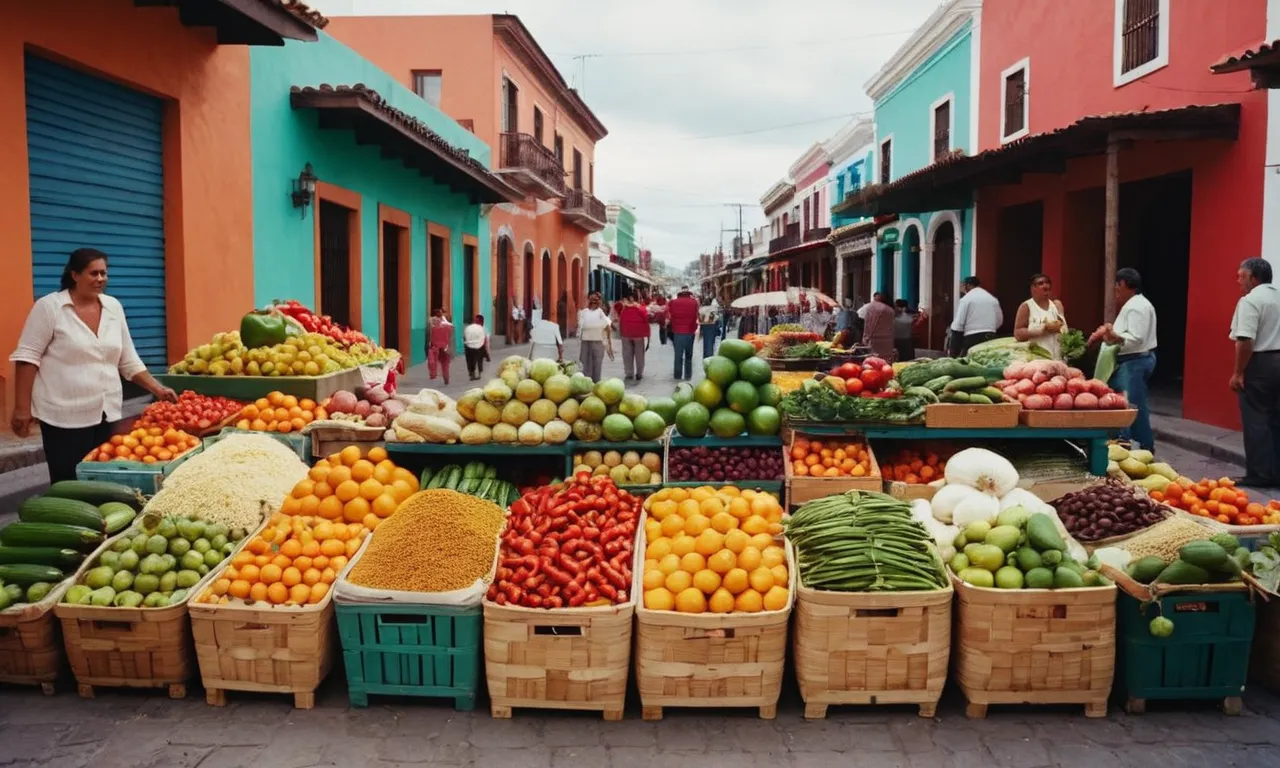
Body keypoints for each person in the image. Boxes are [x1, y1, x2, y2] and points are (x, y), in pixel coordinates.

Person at [10, 248, 177, 484]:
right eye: (93, 273)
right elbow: (27, 358)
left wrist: (157, 388)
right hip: (63, 415)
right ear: (74, 275)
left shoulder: (113, 307)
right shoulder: (50, 308)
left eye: (104, 274)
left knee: (97, 479)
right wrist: (21, 409)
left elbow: (128, 359)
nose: (100, 279)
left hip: (105, 412)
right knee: (68, 481)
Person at [1089, 268, 1157, 450]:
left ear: (1124, 284)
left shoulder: (1136, 307)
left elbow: (1136, 337)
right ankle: (1127, 441)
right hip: (1133, 361)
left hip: (1134, 361)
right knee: (1126, 403)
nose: (1116, 292)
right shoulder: (1136, 304)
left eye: (1117, 287)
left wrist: (1113, 336)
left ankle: (1141, 446)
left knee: (1132, 406)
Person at [1229, 258, 1280, 487]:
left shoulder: (1250, 301)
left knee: (1256, 419)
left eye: (1242, 276)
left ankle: (1260, 473)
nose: (1238, 280)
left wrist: (1238, 372)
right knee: (1276, 419)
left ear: (1254, 278)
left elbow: (1245, 339)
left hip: (1261, 363)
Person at [1014, 273, 1068, 359]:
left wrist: (1060, 315)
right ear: (1033, 288)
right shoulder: (1026, 306)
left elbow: (1064, 331)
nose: (1045, 286)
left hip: (1059, 358)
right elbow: (1018, 334)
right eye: (1040, 283)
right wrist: (1041, 330)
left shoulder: (1056, 305)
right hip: (1038, 359)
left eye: (1047, 282)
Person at [948, 276, 1003, 355]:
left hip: (972, 339)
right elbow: (999, 321)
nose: (963, 288)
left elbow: (958, 324)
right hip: (991, 337)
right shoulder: (992, 299)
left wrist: (953, 351)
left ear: (969, 285)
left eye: (964, 285)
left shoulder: (966, 299)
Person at [576, 292, 613, 381]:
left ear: (599, 302)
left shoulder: (600, 312)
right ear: (589, 301)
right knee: (585, 362)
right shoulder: (584, 312)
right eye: (592, 300)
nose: (593, 303)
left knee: (597, 363)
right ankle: (587, 382)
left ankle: (596, 382)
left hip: (598, 341)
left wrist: (609, 344)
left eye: (596, 300)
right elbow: (580, 326)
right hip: (586, 342)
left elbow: (608, 327)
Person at [667, 286, 700, 380]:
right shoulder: (694, 302)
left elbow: (670, 314)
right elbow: (696, 316)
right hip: (690, 331)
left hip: (677, 332)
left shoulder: (673, 302)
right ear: (689, 294)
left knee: (678, 355)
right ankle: (688, 375)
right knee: (689, 355)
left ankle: (677, 375)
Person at [619, 294, 651, 381]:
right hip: (638, 334)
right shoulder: (641, 309)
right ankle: (639, 373)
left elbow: (621, 320)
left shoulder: (624, 309)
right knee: (639, 354)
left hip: (626, 333)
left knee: (627, 354)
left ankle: (629, 373)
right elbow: (646, 320)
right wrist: (648, 335)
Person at [861, 293, 896, 360]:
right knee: (886, 360)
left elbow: (860, 318)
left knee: (872, 360)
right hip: (887, 341)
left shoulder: (868, 307)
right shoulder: (890, 310)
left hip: (872, 339)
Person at [427, 308, 454, 385]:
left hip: (438, 347)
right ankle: (443, 377)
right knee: (442, 364)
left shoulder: (435, 325)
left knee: (434, 362)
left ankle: (437, 375)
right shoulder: (447, 326)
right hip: (440, 347)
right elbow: (451, 338)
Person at [463, 314, 490, 381]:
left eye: (476, 320)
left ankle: (474, 374)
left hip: (472, 346)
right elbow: (485, 341)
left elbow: (464, 337)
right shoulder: (482, 329)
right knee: (476, 360)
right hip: (477, 347)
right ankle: (475, 374)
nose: (475, 321)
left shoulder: (470, 328)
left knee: (473, 360)